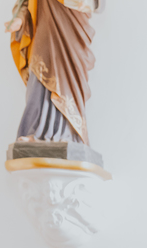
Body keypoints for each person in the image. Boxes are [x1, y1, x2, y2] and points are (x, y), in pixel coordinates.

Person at [6, 0, 95, 144]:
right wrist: (20, 18)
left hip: (71, 26)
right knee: (39, 76)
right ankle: (35, 131)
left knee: (67, 78)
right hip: (44, 28)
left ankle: (67, 134)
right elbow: (25, 3)